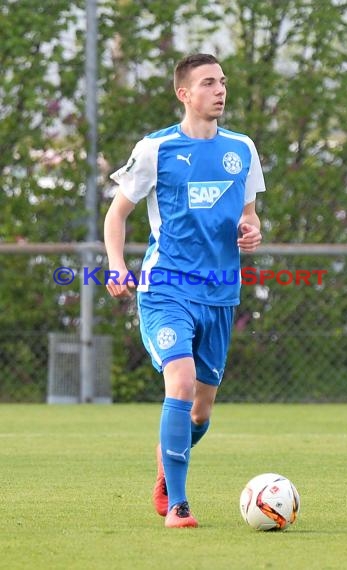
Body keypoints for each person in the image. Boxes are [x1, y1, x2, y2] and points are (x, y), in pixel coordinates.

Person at [104, 53, 266, 528]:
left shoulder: (243, 148)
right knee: (179, 381)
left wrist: (250, 228)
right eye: (209, 83)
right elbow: (116, 215)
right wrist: (116, 267)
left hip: (219, 294)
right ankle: (178, 504)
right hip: (166, 288)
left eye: (223, 83)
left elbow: (249, 214)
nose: (220, 91)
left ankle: (166, 457)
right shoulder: (156, 149)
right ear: (184, 94)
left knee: (200, 411)